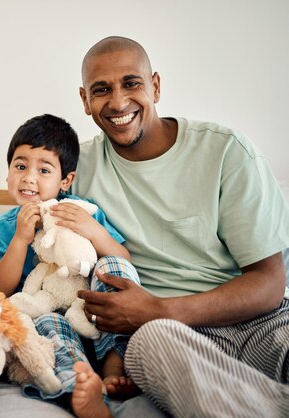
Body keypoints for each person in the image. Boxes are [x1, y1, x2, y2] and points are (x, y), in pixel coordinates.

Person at [73, 35, 289, 417]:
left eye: (132, 83)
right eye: (101, 89)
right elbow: (23, 232)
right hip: (169, 341)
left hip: (260, 322)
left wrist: (158, 309)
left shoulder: (225, 150)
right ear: (85, 100)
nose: (119, 102)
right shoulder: (77, 168)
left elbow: (269, 282)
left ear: (155, 86)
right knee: (148, 343)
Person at [0, 114, 139, 416]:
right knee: (49, 325)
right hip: (47, 314)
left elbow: (123, 260)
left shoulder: (83, 212)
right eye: (20, 166)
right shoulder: (3, 227)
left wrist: (94, 231)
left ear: (65, 180)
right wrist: (19, 240)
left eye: (44, 169)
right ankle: (79, 386)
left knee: (115, 268)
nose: (28, 177)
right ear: (8, 175)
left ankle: (114, 366)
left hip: (92, 309)